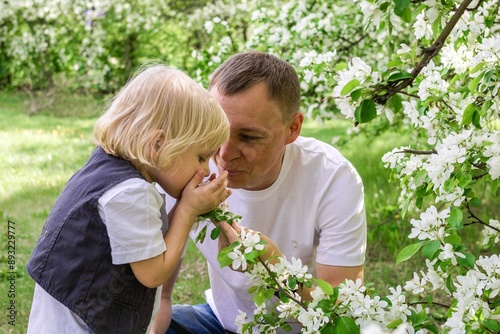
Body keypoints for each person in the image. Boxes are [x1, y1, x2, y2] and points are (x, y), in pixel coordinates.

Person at [152, 51, 367, 334]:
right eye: (216, 130)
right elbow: (160, 298)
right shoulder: (182, 168)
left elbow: (340, 314)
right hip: (218, 323)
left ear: (293, 128)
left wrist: (274, 265)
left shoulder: (332, 177)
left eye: (248, 137)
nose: (224, 155)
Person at [25, 64, 231, 334]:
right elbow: (153, 273)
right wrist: (188, 209)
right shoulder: (131, 193)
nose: (206, 170)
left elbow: (147, 248)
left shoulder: (104, 169)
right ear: (158, 146)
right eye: (201, 157)